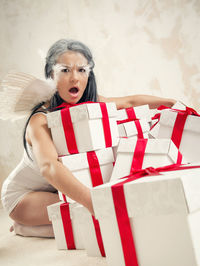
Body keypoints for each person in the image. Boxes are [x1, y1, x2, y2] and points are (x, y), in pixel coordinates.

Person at [1, 39, 176, 238]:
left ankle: (40, 224)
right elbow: (49, 166)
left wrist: (171, 102)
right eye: (65, 70)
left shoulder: (89, 107)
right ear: (51, 74)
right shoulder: (39, 120)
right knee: (90, 216)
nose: (75, 78)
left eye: (81, 70)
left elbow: (129, 102)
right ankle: (23, 227)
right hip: (23, 196)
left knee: (103, 212)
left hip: (54, 190)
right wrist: (95, 202)